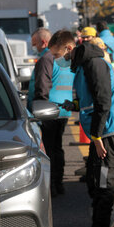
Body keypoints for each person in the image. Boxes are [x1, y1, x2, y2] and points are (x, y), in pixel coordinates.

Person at [48, 30, 114, 227]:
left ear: (69, 49)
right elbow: (91, 99)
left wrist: (96, 137)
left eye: (57, 56)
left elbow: (103, 101)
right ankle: (98, 226)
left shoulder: (93, 64)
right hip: (103, 130)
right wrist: (73, 105)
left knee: (103, 180)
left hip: (108, 131)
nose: (56, 61)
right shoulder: (84, 65)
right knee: (95, 180)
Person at [27, 28, 74, 197]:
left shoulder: (47, 59)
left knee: (48, 149)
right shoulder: (65, 60)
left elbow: (42, 86)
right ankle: (58, 183)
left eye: (35, 45)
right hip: (63, 110)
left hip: (48, 110)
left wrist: (38, 108)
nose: (35, 48)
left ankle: (52, 185)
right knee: (57, 147)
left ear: (45, 42)